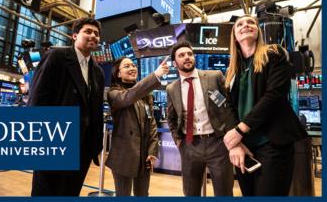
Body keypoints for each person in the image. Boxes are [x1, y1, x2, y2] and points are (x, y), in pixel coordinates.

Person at [223, 14, 307, 196]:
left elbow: (274, 95)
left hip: (272, 144)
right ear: (234, 37)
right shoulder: (232, 71)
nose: (245, 25)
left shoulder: (273, 54)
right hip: (244, 147)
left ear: (258, 31)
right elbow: (229, 108)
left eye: (250, 22)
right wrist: (235, 144)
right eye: (240, 24)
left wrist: (239, 130)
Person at [27, 17, 105, 196]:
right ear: (74, 35)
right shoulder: (57, 57)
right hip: (55, 141)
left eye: (97, 33)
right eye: (88, 31)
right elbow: (37, 98)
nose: (93, 36)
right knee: (46, 192)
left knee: (71, 191)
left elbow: (96, 109)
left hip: (83, 147)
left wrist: (96, 144)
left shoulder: (97, 71)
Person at [166, 41, 234, 196]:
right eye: (181, 55)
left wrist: (230, 133)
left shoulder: (214, 76)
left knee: (224, 192)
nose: (187, 57)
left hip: (218, 143)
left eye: (189, 54)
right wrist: (177, 139)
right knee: (190, 192)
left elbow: (230, 105)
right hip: (189, 145)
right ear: (175, 62)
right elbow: (171, 117)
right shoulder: (172, 88)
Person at [106, 56, 169, 196]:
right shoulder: (113, 93)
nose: (133, 68)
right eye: (127, 66)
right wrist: (155, 75)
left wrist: (152, 151)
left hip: (144, 156)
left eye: (134, 65)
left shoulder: (146, 95)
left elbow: (152, 123)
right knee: (123, 195)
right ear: (118, 73)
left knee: (143, 194)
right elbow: (129, 96)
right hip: (123, 156)